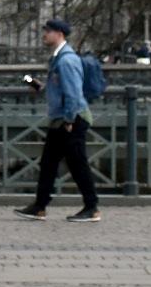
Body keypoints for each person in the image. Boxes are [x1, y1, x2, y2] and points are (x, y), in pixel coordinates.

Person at [14, 17, 101, 222]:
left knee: (77, 163)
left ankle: (92, 207)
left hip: (71, 119)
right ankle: (39, 206)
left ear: (59, 34)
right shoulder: (57, 58)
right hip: (60, 119)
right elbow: (56, 89)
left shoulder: (67, 60)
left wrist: (70, 120)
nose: (44, 34)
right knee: (49, 163)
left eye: (48, 31)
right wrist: (34, 84)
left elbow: (73, 94)